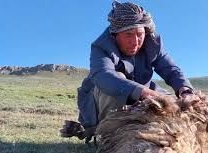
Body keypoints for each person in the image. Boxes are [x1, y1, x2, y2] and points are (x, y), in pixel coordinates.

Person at [75, 1, 194, 139]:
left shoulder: (152, 43)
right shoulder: (101, 47)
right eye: (128, 35)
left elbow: (171, 69)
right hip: (101, 105)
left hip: (142, 96)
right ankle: (106, 137)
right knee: (116, 79)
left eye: (139, 34)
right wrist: (141, 91)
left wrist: (185, 90)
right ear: (115, 34)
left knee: (175, 105)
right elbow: (103, 75)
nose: (135, 41)